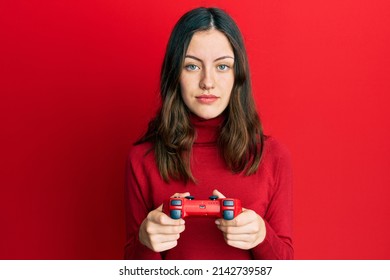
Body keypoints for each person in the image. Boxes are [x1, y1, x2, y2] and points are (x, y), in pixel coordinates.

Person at [124, 7, 293, 260]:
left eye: (222, 66)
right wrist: (146, 242)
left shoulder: (272, 156)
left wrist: (261, 237)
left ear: (238, 75)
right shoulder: (142, 158)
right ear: (174, 74)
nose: (208, 82)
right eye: (192, 66)